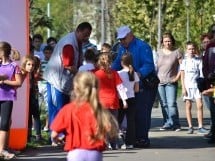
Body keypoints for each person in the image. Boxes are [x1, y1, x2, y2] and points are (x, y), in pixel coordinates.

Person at [50, 72, 118, 161]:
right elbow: (109, 129)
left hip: (75, 152)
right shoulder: (98, 109)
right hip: (95, 152)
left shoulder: (68, 109)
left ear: (76, 88)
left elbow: (54, 134)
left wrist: (57, 140)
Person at [43, 22, 92, 145]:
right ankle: (55, 137)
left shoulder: (78, 42)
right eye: (85, 35)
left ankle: (63, 136)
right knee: (57, 108)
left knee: (65, 108)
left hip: (65, 81)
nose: (86, 38)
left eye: (88, 35)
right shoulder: (69, 43)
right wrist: (82, 74)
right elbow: (68, 65)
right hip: (56, 80)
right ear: (78, 31)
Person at [112, 26, 157, 148]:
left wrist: (137, 74)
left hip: (143, 86)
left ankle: (142, 138)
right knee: (132, 114)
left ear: (131, 35)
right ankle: (133, 138)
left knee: (142, 112)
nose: (121, 41)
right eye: (120, 39)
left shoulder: (143, 47)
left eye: (123, 38)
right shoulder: (122, 48)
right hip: (130, 86)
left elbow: (149, 65)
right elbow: (116, 64)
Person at [94, 52, 128, 149]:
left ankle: (105, 142)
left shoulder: (96, 74)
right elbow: (120, 87)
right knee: (113, 123)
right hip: (113, 102)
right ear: (111, 62)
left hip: (102, 103)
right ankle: (114, 143)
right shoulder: (114, 73)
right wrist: (124, 100)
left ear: (99, 62)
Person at [0, 41, 22, 160]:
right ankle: (4, 147)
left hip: (7, 97)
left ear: (2, 52)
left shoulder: (13, 66)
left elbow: (18, 83)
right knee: (6, 123)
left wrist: (4, 81)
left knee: (4, 123)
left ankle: (2, 150)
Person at [180, 41, 208, 134]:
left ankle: (200, 126)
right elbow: (182, 75)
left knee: (200, 105)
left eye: (192, 48)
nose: (191, 50)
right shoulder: (184, 61)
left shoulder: (198, 60)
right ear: (186, 50)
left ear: (195, 49)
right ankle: (190, 126)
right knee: (188, 106)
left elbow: (201, 74)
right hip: (188, 86)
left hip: (197, 86)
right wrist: (183, 88)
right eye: (189, 49)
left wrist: (203, 86)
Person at [156, 32, 182, 132]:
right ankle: (167, 123)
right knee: (164, 104)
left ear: (172, 41)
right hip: (160, 82)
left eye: (169, 41)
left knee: (171, 103)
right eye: (166, 41)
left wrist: (177, 77)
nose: (168, 43)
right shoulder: (158, 52)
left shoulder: (177, 52)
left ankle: (176, 124)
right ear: (162, 42)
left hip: (171, 81)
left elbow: (182, 66)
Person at [117, 53, 139, 149]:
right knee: (131, 121)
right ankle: (130, 142)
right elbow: (137, 89)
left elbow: (118, 87)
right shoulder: (134, 73)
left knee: (118, 120)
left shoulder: (119, 73)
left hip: (121, 99)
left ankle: (115, 141)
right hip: (132, 98)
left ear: (122, 63)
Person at [202, 23, 215, 144]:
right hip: (211, 82)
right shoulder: (210, 46)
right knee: (213, 109)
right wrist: (208, 76)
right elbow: (205, 64)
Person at [38, 45, 53, 132]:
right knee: (38, 106)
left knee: (48, 106)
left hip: (48, 85)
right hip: (40, 84)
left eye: (49, 53)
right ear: (43, 53)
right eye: (46, 53)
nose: (47, 54)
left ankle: (47, 126)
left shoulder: (53, 63)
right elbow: (38, 72)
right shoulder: (41, 62)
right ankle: (36, 126)